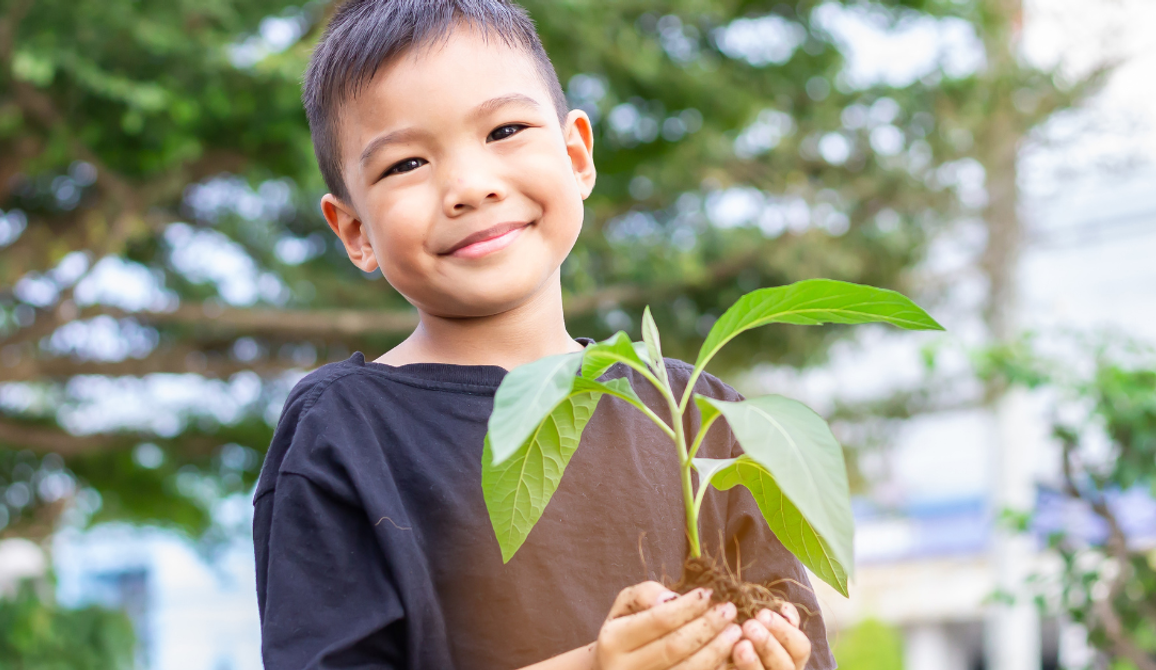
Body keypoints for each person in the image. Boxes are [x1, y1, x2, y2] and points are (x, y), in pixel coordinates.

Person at [253, 2, 837, 669]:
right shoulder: (343, 430)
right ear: (355, 231)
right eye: (406, 164)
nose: (470, 187)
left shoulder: (703, 419)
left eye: (504, 129)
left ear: (576, 155)